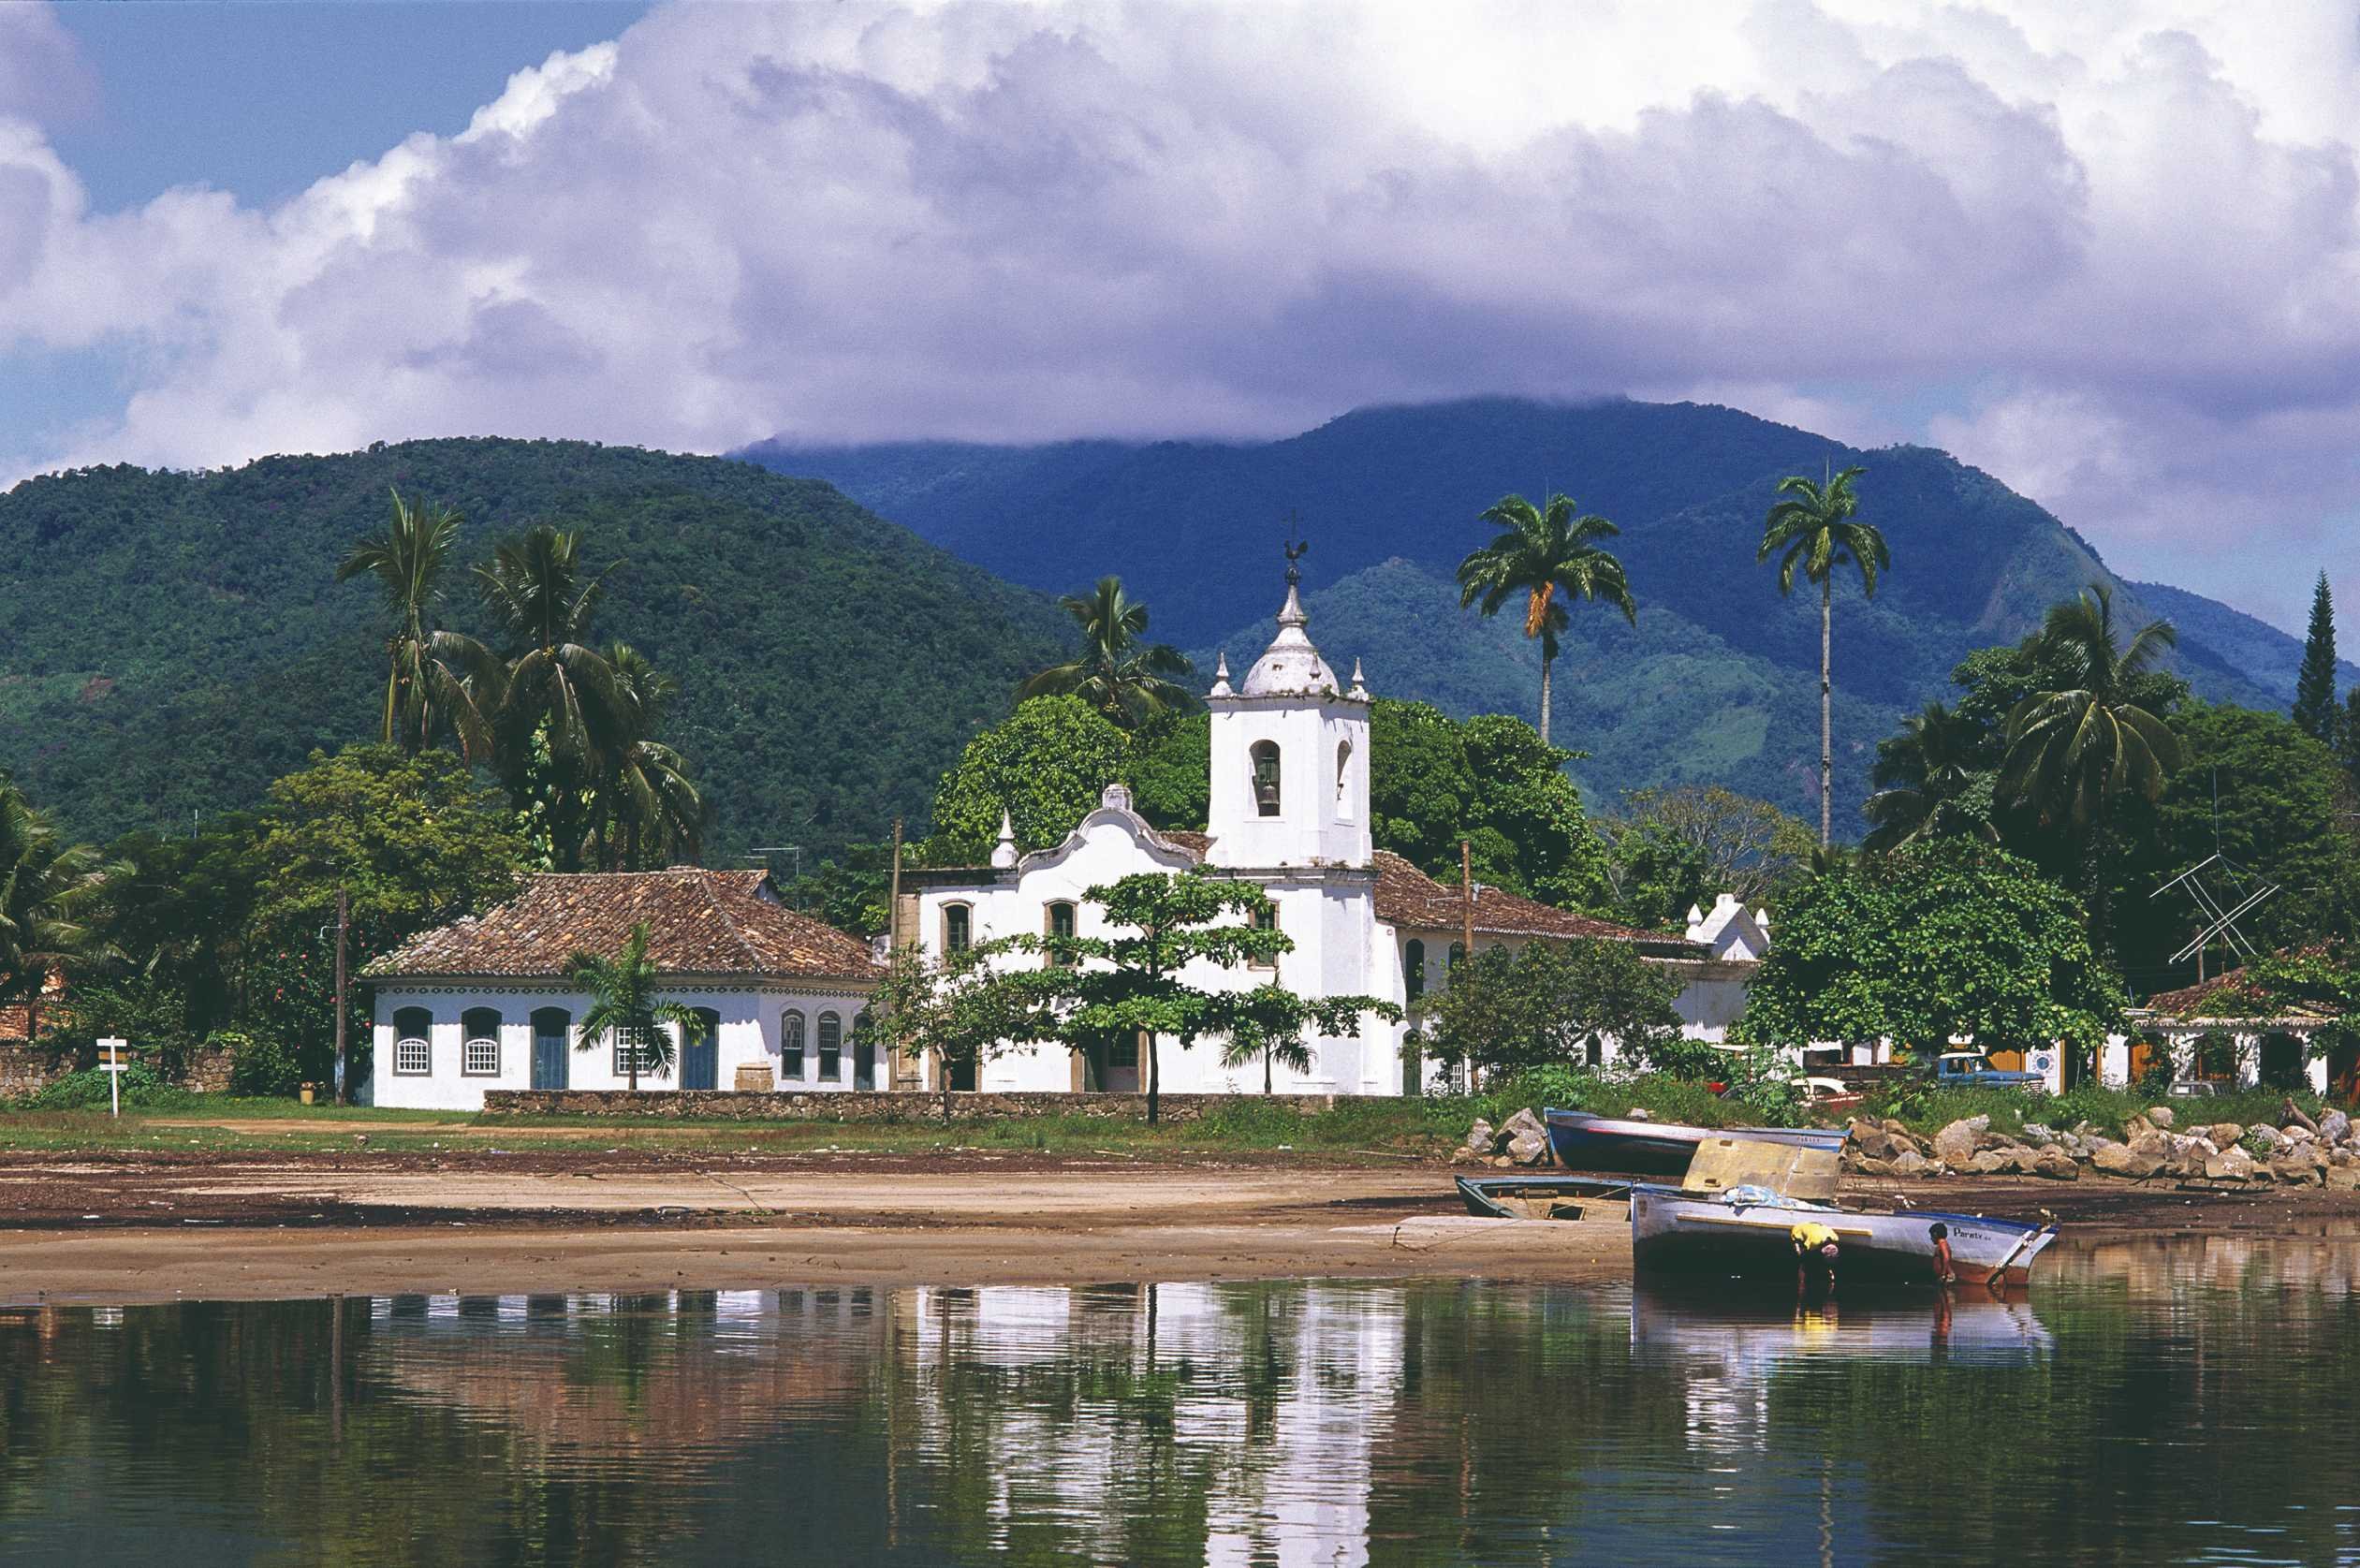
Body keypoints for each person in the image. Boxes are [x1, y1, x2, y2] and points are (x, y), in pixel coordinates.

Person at [1791, 1220, 1840, 1295]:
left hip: (1815, 1227)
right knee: (1802, 1258)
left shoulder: (1835, 1238)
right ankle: (1801, 1284)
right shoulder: (1814, 1242)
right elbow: (1806, 1255)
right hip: (1798, 1230)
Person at [1929, 1221, 1957, 1286]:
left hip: (1947, 1276)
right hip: (1944, 1276)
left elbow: (1946, 1258)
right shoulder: (1941, 1244)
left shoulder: (1942, 1244)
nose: (1931, 1238)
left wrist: (1943, 1274)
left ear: (1935, 1234)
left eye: (1931, 1236)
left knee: (1944, 1295)